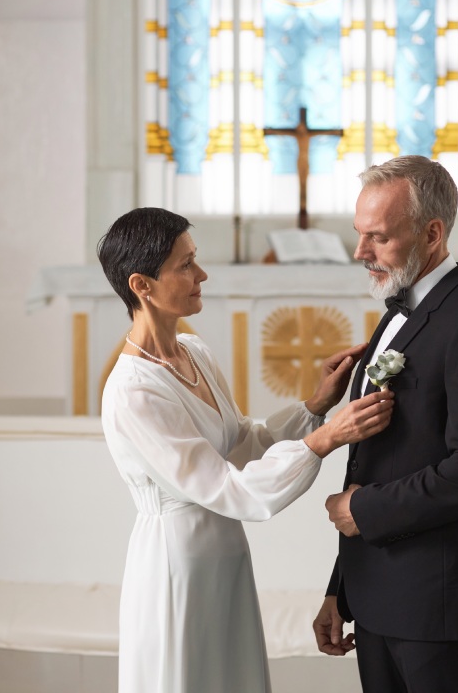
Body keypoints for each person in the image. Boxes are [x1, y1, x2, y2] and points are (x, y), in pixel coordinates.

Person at [97, 207, 394, 693]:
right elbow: (228, 489)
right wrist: (327, 439)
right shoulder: (133, 390)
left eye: (196, 259)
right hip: (176, 565)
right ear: (141, 285)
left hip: (223, 555)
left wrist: (314, 407)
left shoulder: (195, 352)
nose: (201, 274)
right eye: (185, 265)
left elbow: (240, 446)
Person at [313, 156, 458, 692]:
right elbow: (375, 458)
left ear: (432, 233)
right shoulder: (397, 309)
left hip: (438, 601)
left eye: (377, 238)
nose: (360, 253)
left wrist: (363, 509)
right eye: (360, 236)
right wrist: (341, 588)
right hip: (379, 595)